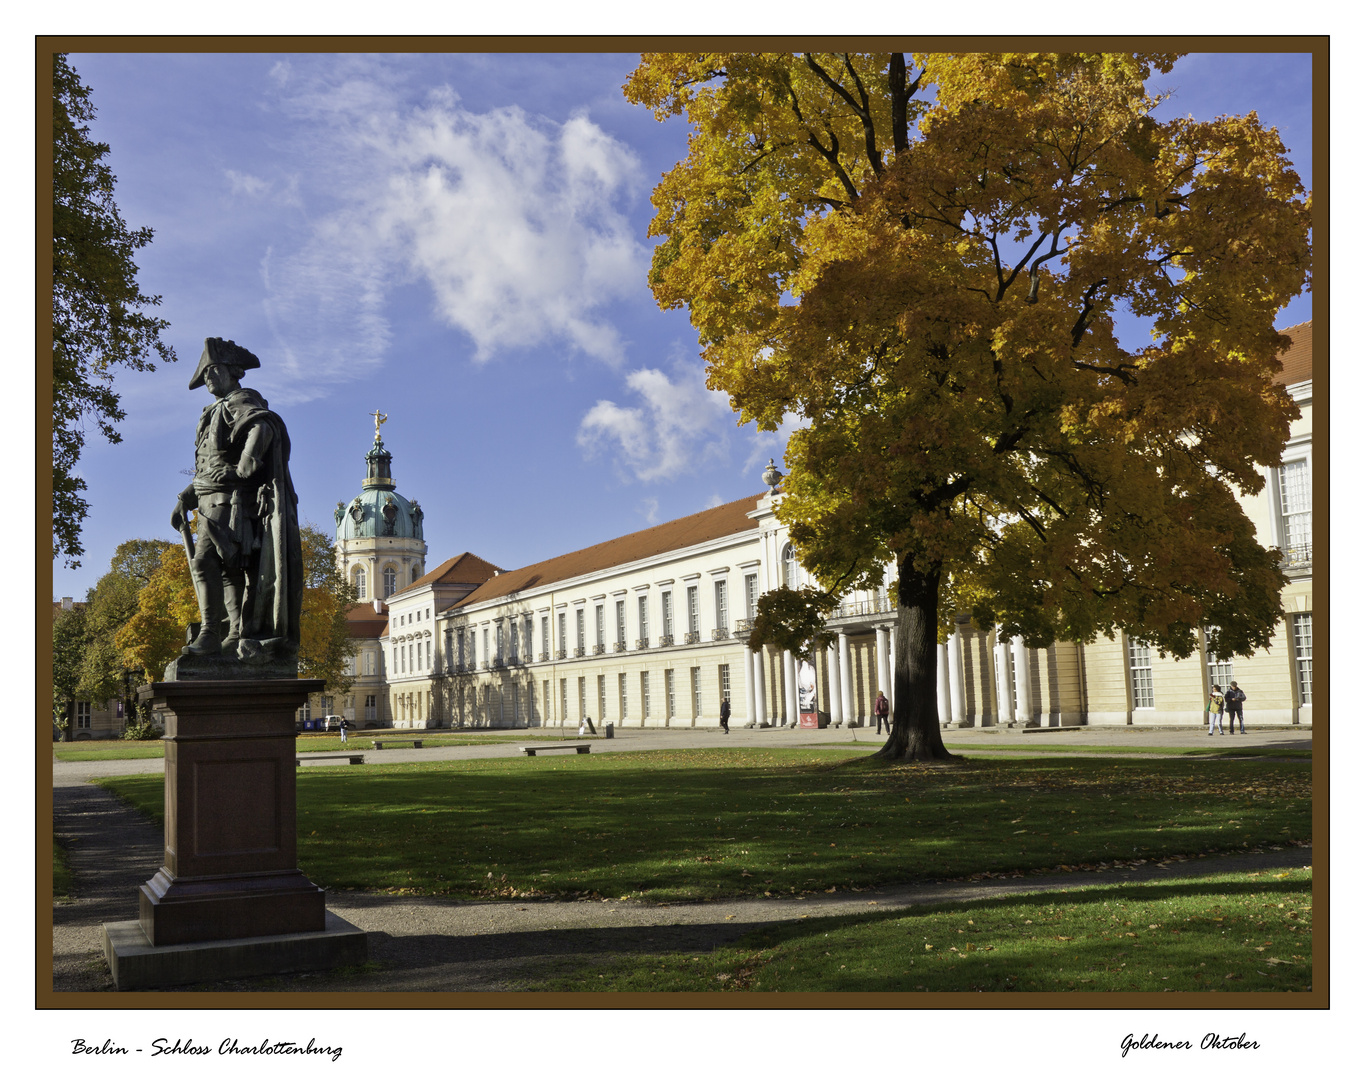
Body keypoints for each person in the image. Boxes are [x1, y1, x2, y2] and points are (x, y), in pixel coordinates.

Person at [170, 337, 302, 667]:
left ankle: (214, 633)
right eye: (205, 374)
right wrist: (185, 498)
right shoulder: (213, 410)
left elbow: (264, 424)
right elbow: (208, 466)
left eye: (213, 370)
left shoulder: (242, 398)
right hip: (207, 500)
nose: (209, 378)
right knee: (224, 571)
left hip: (232, 503)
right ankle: (228, 634)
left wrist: (248, 459)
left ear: (232, 372)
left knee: (209, 564)